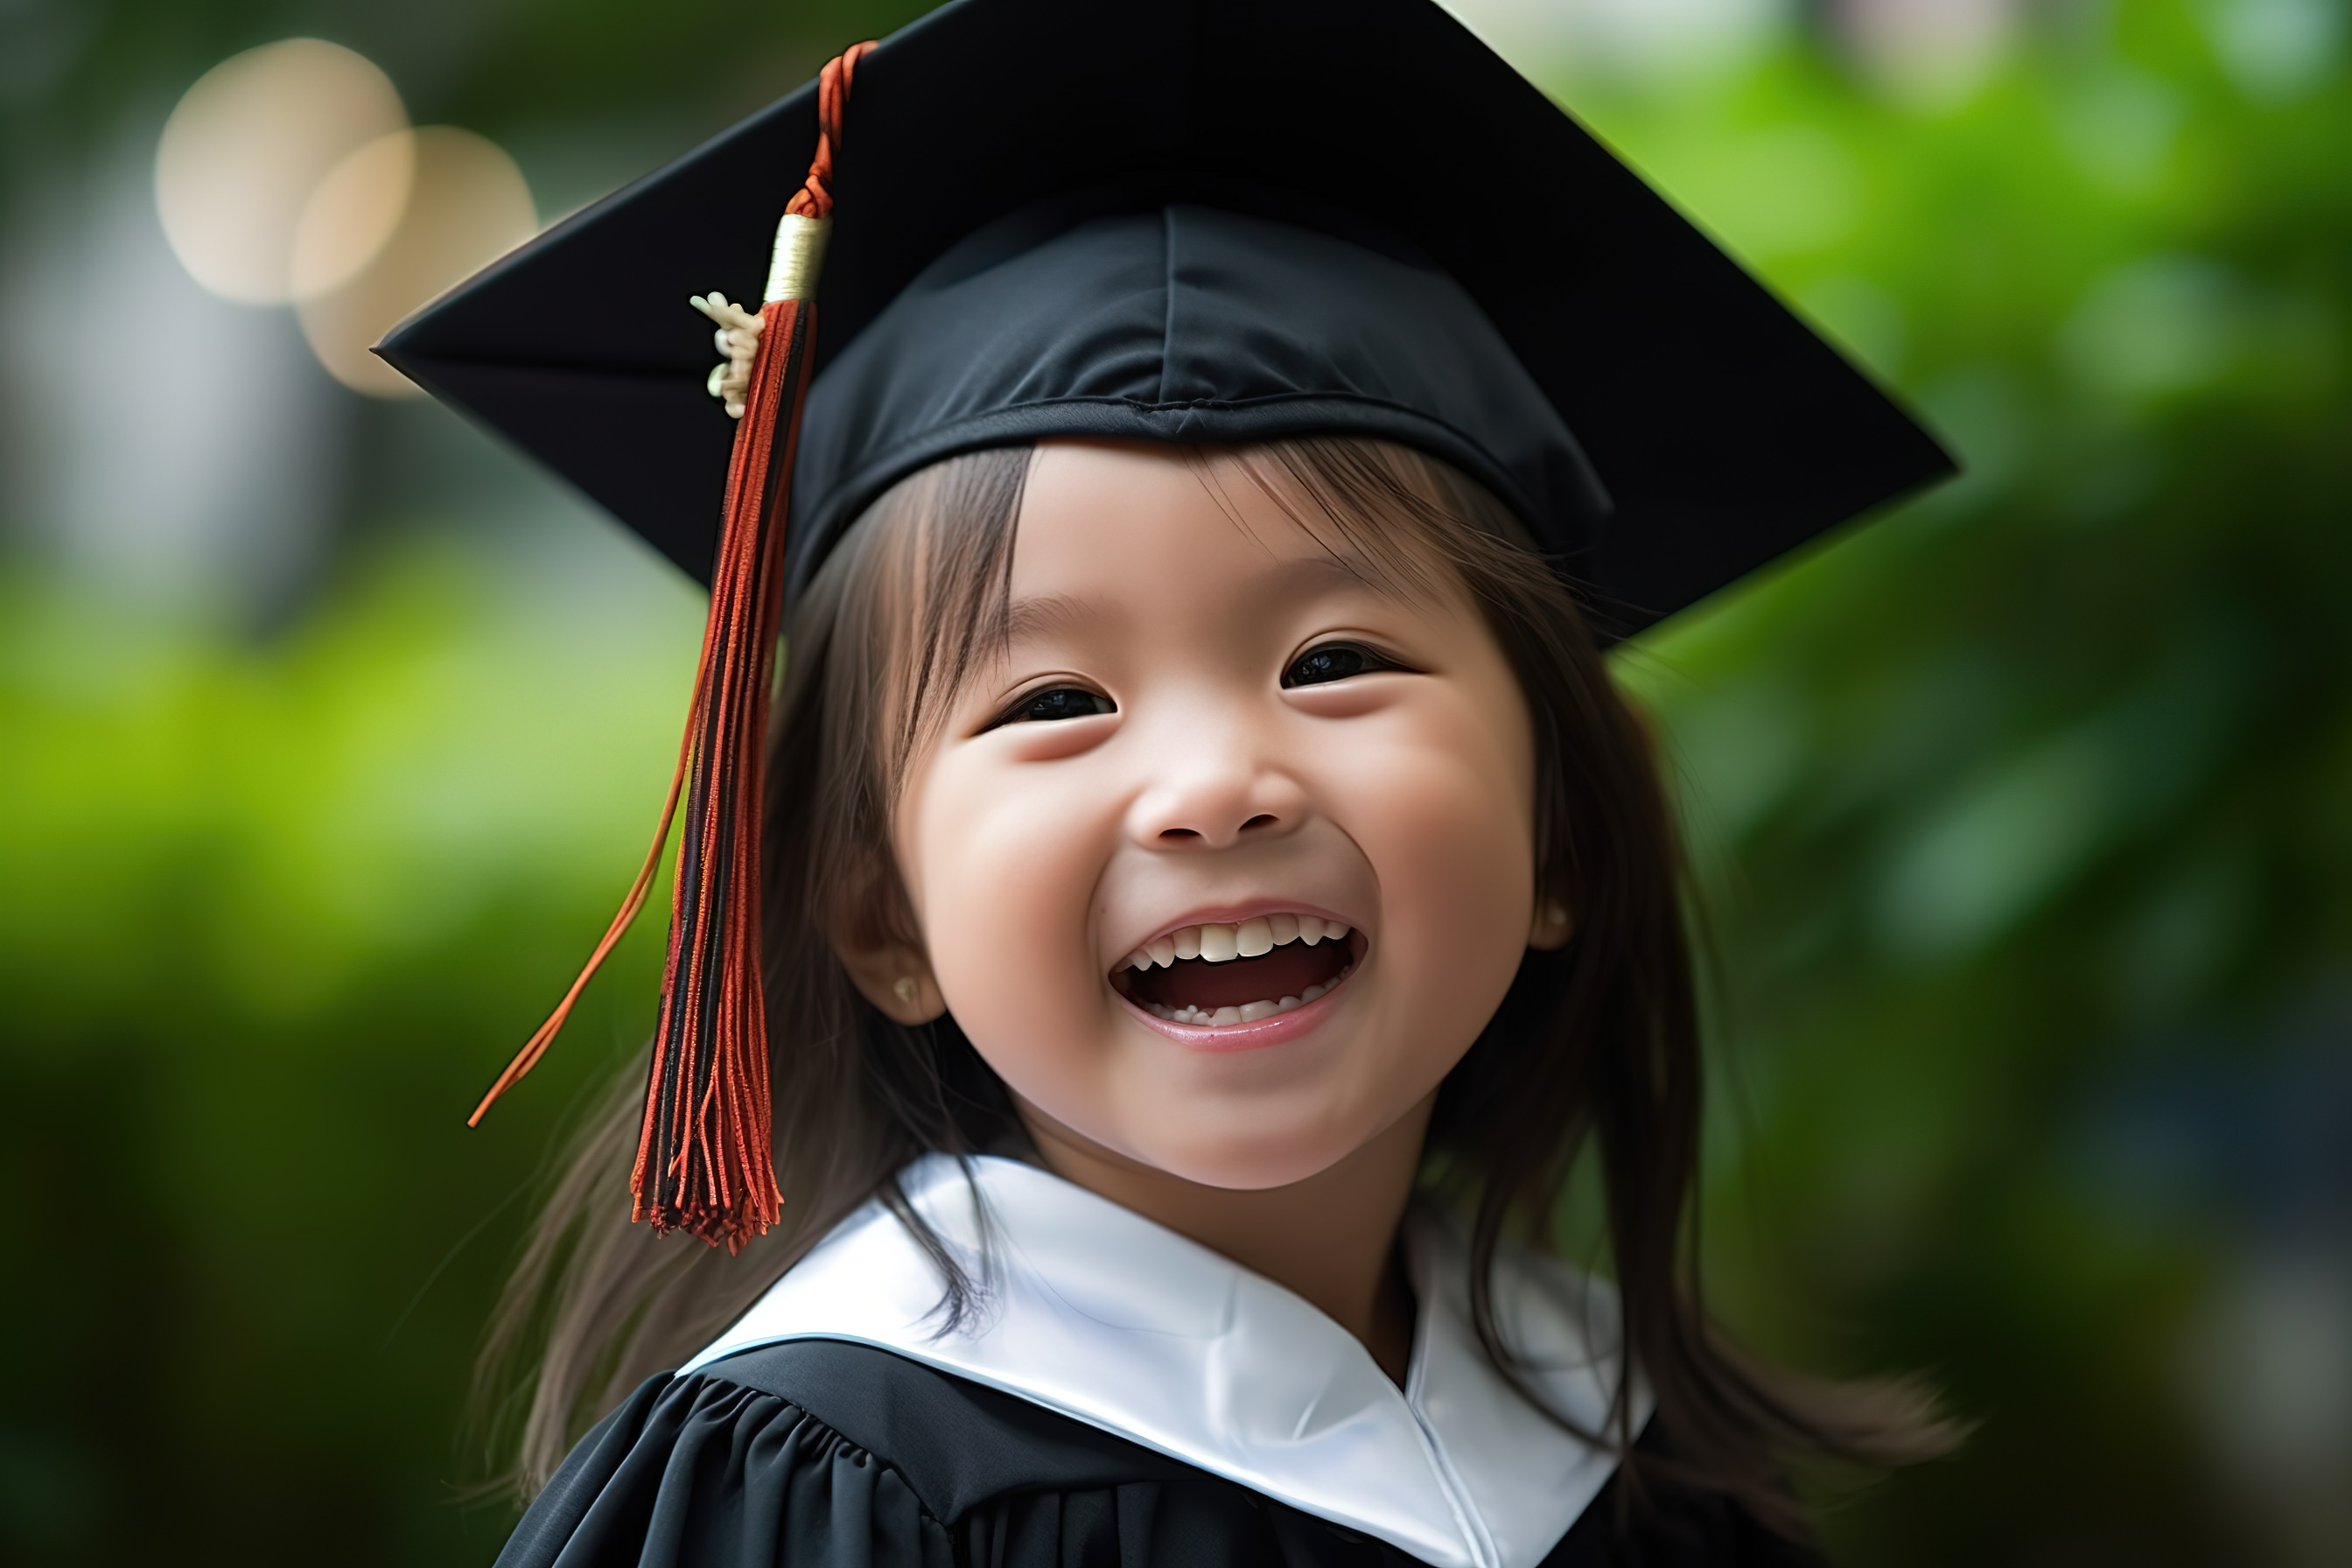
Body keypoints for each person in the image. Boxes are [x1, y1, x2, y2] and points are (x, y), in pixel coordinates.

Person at [382, 1, 1958, 1563]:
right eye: (1059, 698)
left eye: (1336, 661)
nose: (1215, 785)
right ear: (878, 911)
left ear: (1563, 829)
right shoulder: (818, 1498)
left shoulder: (1641, 1463)